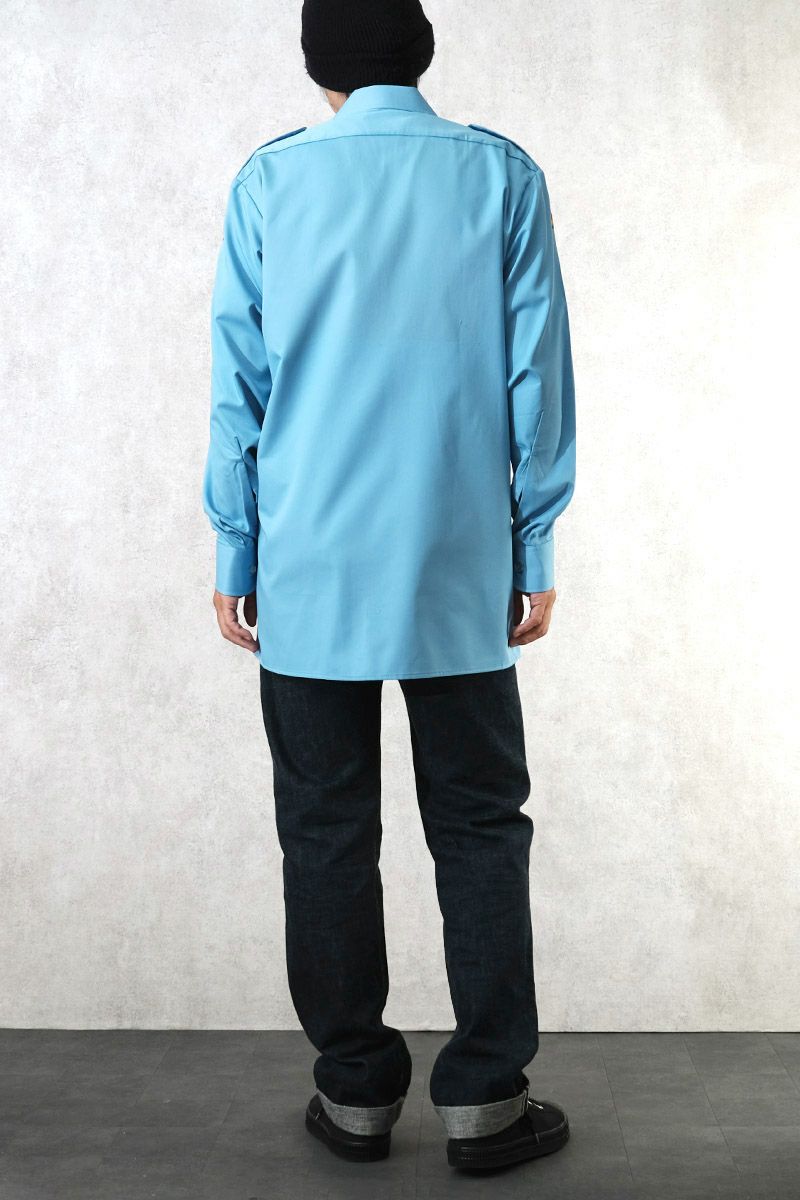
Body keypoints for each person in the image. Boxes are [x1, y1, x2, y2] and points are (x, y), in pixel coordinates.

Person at [202, 0, 576, 1174]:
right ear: (418, 51)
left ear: (318, 65)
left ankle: (356, 1094)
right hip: (455, 562)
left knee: (323, 830)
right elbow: (535, 374)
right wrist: (533, 546)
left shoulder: (270, 182)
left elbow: (238, 384)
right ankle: (486, 1100)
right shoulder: (499, 176)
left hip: (308, 564)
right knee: (478, 826)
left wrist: (235, 551)